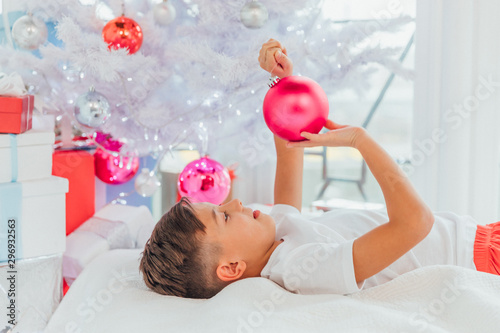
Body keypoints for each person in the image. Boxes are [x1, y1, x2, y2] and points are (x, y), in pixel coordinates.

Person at [139, 39, 500, 299]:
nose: (234, 204)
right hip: (479, 259)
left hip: (478, 235)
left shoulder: (276, 235)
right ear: (231, 268)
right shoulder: (299, 267)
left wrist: (283, 84)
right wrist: (360, 141)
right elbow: (415, 223)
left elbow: (289, 149)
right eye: (224, 217)